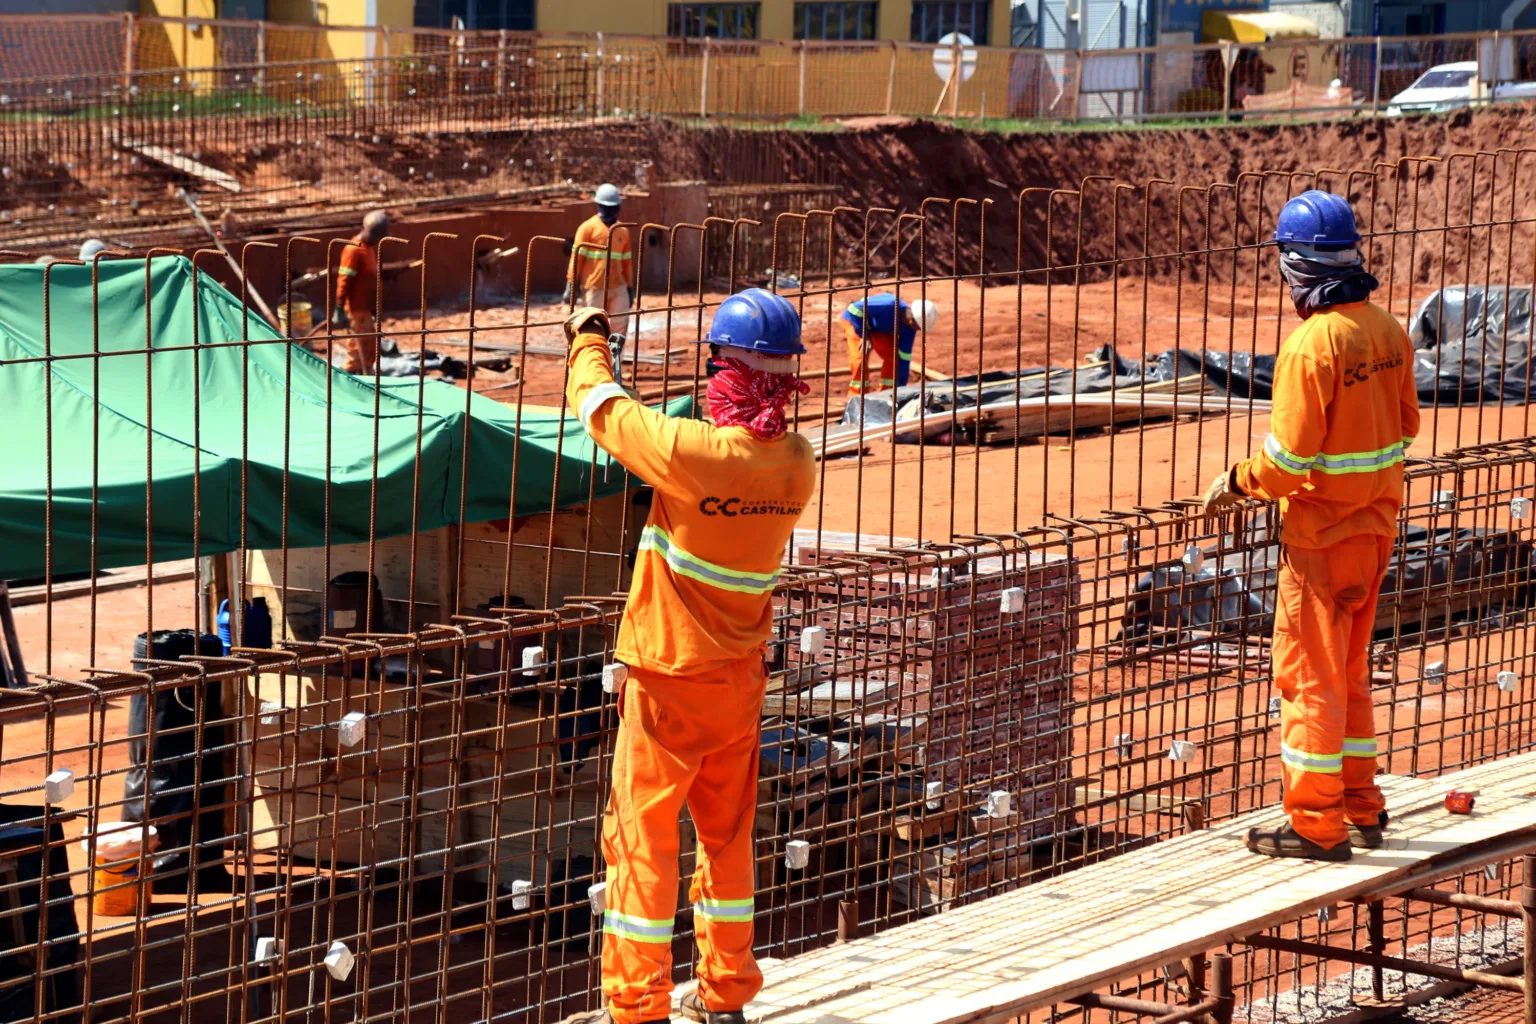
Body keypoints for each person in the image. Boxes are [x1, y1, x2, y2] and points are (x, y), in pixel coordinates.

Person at [560, 288, 816, 1024]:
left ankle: (637, 1009)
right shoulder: (796, 465)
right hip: (738, 685)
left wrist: (589, 332)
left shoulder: (691, 454)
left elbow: (601, 406)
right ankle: (725, 995)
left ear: (725, 374)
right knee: (728, 843)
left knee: (641, 840)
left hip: (669, 680)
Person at [1202, 190, 1420, 861]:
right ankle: (1362, 806)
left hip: (1320, 542)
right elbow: (1407, 425)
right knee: (1350, 675)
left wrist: (1238, 482)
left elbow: (1289, 461)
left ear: (1296, 267)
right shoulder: (1386, 330)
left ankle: (1316, 826)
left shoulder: (1309, 346)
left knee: (1307, 678)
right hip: (1376, 530)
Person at [566, 183, 634, 339]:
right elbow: (577, 259)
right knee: (592, 329)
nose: (611, 212)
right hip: (594, 288)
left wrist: (630, 288)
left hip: (618, 287)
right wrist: (570, 284)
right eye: (607, 208)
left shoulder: (622, 231)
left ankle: (615, 362)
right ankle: (595, 362)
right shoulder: (587, 228)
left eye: (614, 208)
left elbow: (627, 263)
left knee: (619, 330)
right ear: (598, 206)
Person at [841, 292, 939, 395]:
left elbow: (904, 357)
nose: (918, 330)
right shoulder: (889, 304)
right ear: (912, 319)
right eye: (919, 327)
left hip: (877, 328)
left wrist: (901, 388)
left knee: (893, 357)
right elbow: (853, 309)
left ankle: (886, 395)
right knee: (860, 357)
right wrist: (864, 335)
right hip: (856, 322)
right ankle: (857, 397)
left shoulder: (910, 329)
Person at [334, 210, 390, 375]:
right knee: (357, 349)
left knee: (370, 346)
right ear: (364, 228)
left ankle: (367, 376)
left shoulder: (368, 248)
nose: (375, 240)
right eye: (374, 236)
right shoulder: (353, 250)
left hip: (365, 307)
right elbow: (344, 279)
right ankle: (349, 379)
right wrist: (338, 307)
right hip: (356, 308)